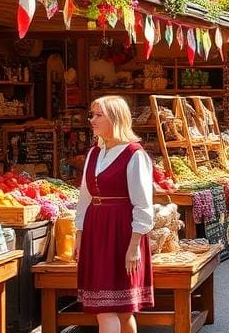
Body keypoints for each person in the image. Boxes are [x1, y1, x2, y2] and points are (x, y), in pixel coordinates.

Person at [75, 95, 154, 331]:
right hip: (96, 231)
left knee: (119, 309)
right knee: (112, 309)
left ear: (116, 118)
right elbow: (84, 198)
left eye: (99, 115)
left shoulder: (134, 154)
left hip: (122, 233)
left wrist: (134, 247)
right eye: (92, 114)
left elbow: (143, 205)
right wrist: (79, 236)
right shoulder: (94, 153)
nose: (92, 119)